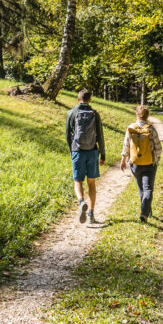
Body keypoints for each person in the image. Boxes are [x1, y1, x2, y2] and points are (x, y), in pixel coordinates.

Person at [66, 88, 106, 224]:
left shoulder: (72, 113)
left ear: (78, 99)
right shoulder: (95, 113)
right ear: (89, 100)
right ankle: (91, 214)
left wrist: (72, 152)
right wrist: (103, 155)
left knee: (78, 181)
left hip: (77, 150)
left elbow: (67, 135)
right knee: (91, 183)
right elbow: (100, 135)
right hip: (92, 151)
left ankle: (82, 202)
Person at [119, 105, 161, 223]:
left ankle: (146, 211)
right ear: (147, 116)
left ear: (137, 115)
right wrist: (157, 159)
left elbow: (126, 145)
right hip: (149, 163)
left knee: (141, 188)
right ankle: (144, 212)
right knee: (148, 189)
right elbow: (158, 147)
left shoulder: (131, 128)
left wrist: (123, 160)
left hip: (135, 163)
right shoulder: (151, 129)